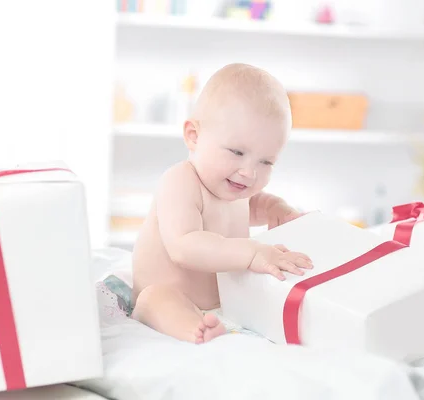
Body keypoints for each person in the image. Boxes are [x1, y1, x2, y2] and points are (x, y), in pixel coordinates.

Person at [130, 63, 313, 344]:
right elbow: (184, 245)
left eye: (266, 161)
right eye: (237, 152)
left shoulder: (235, 189)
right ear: (194, 136)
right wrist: (251, 253)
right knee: (156, 299)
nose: (249, 172)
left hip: (224, 303)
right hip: (168, 294)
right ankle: (195, 330)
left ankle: (212, 322)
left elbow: (250, 207)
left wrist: (274, 208)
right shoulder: (181, 181)